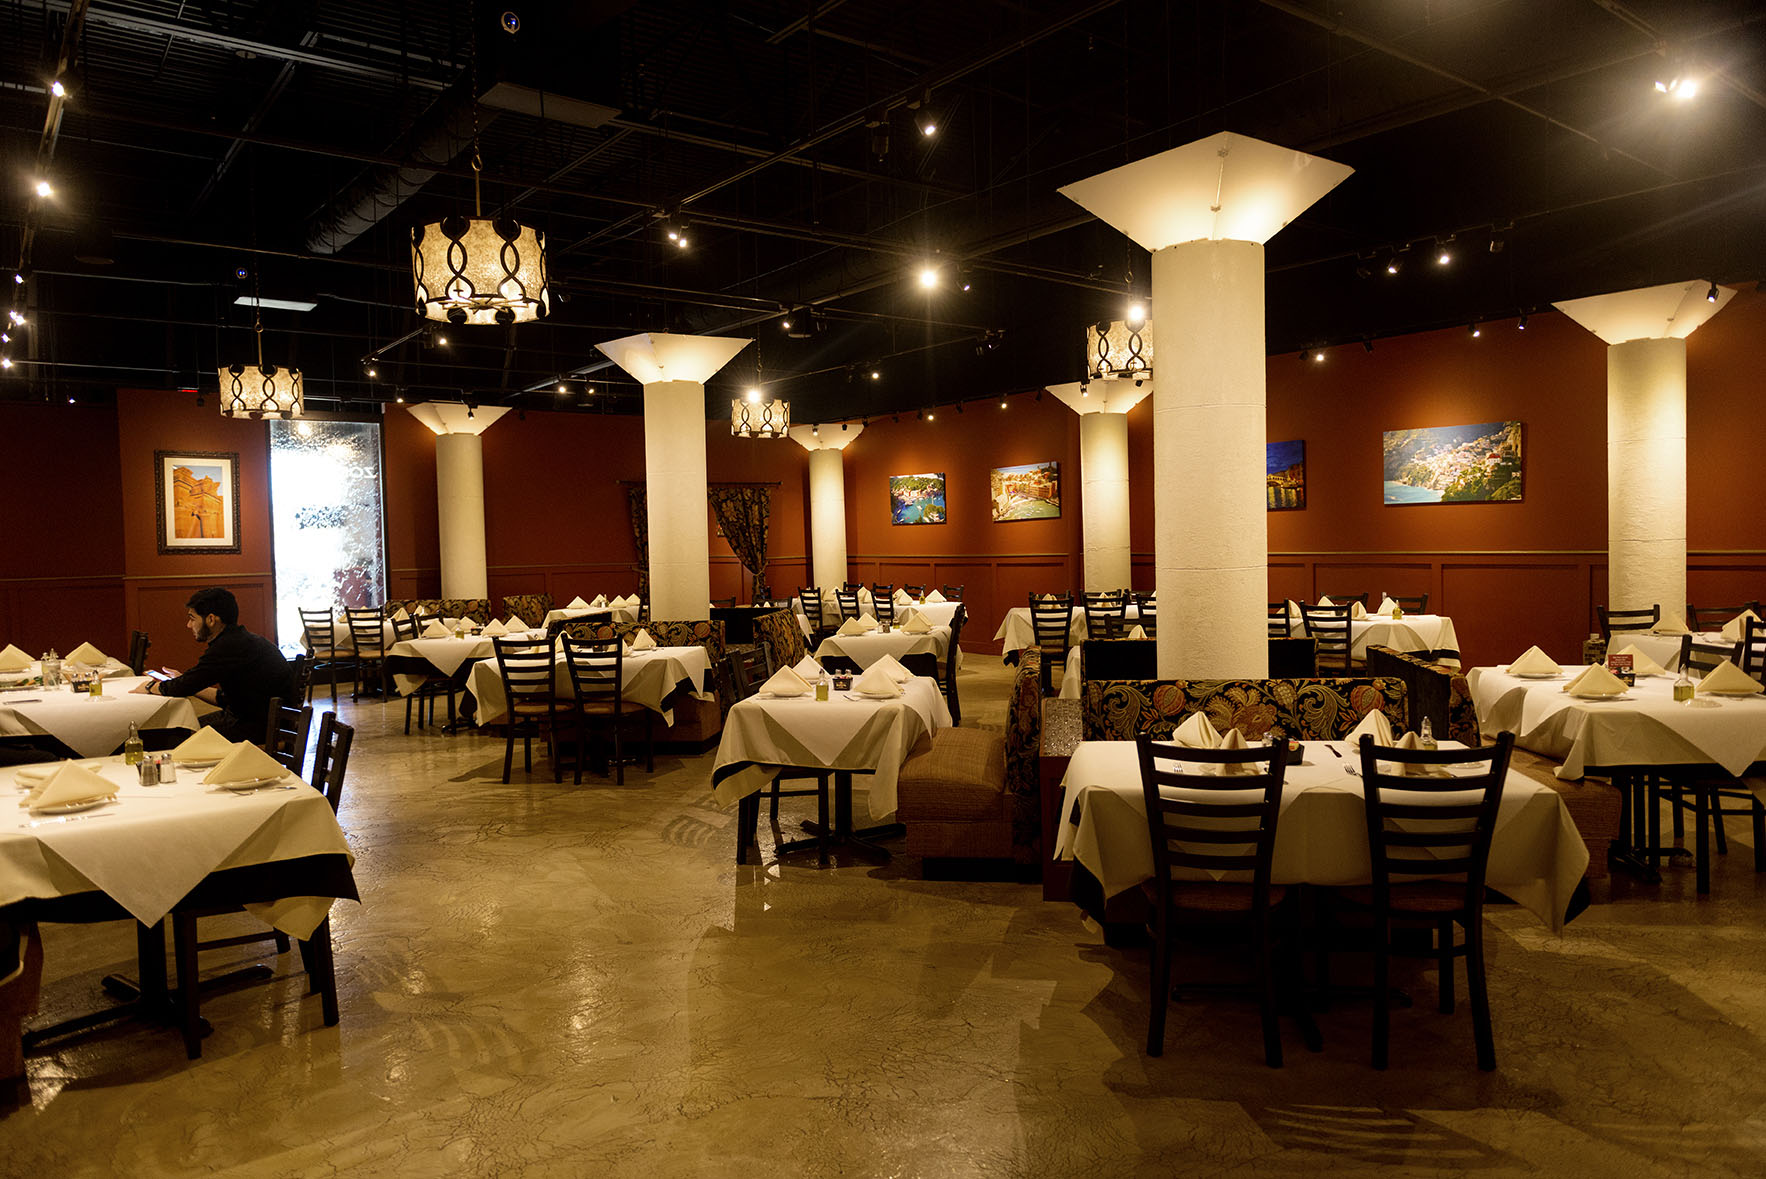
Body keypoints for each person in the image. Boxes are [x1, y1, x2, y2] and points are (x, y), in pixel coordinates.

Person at [131, 587, 295, 742]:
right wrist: (184, 681)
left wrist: (150, 687)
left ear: (211, 619)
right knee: (180, 728)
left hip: (259, 727)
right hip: (261, 719)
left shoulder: (227, 647)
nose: (189, 625)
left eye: (192, 618)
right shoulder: (240, 640)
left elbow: (183, 687)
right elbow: (221, 696)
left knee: (174, 736)